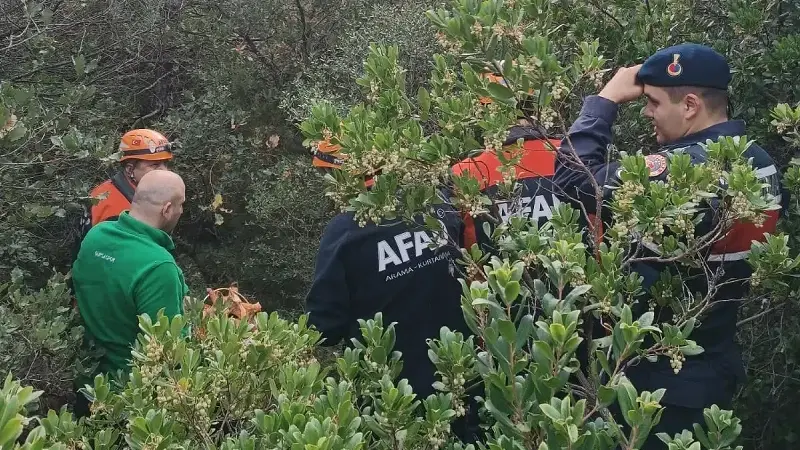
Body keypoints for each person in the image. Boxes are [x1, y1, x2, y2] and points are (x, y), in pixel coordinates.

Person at [553, 43, 787, 447]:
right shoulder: (759, 160)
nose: (646, 113)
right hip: (712, 367)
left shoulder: (687, 171)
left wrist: (605, 100)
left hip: (660, 382)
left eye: (653, 103)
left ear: (691, 104)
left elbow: (573, 181)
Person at [305, 139, 478, 440]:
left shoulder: (345, 233)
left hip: (394, 400)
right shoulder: (436, 203)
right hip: (464, 376)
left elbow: (323, 326)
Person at [71, 170, 189, 418]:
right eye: (181, 205)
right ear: (167, 209)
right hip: (129, 399)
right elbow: (169, 351)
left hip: (85, 385)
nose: (181, 212)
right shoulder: (158, 266)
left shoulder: (96, 235)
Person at [88, 128, 175, 226]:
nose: (165, 171)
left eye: (165, 164)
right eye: (155, 165)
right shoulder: (117, 211)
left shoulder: (124, 191)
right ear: (130, 170)